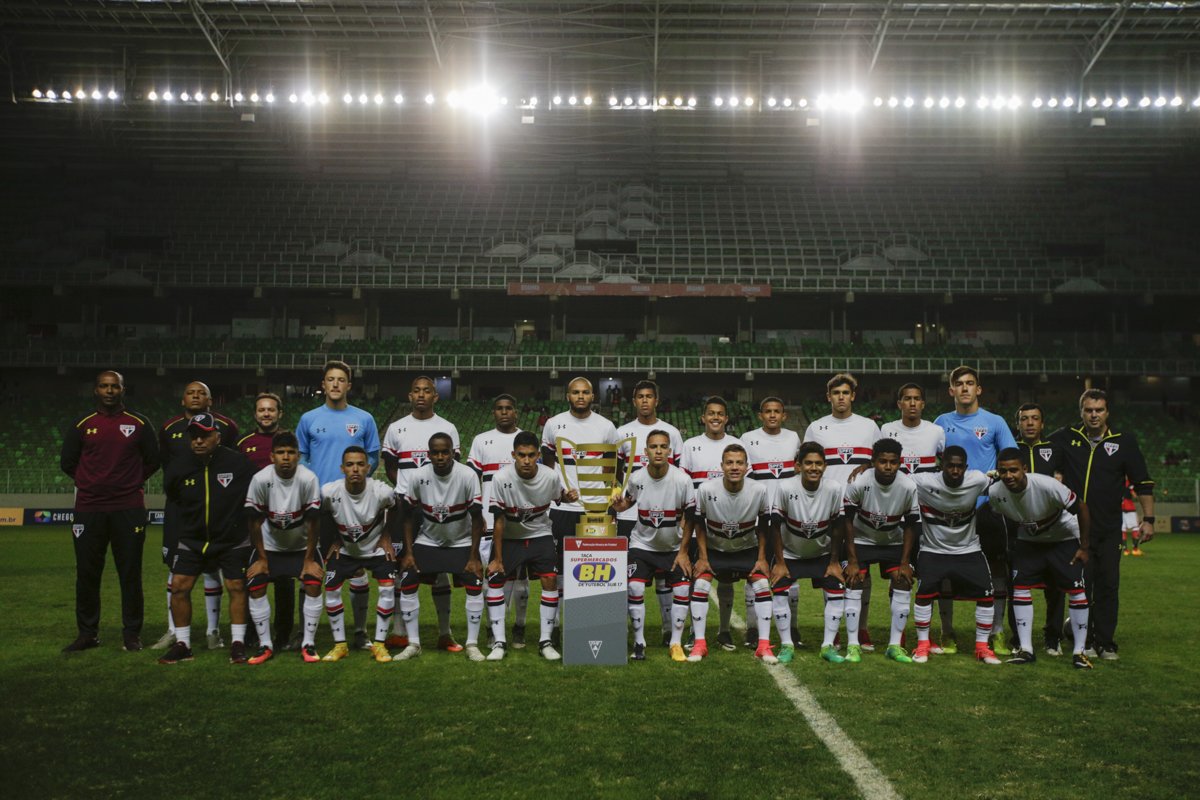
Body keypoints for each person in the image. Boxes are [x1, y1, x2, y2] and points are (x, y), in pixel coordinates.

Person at [59, 370, 160, 653]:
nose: (109, 391)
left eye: (114, 386)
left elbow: (153, 460)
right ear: (96, 390)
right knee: (87, 574)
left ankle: (132, 634)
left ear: (123, 390)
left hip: (128, 508)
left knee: (129, 573)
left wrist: (129, 481)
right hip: (89, 509)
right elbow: (67, 462)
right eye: (104, 386)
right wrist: (91, 483)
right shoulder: (82, 425)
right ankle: (87, 633)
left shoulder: (139, 423)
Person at [1049, 389, 1154, 661]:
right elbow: (1040, 453)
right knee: (1082, 585)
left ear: (1108, 412)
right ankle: (1083, 636)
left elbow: (1142, 481)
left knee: (1108, 584)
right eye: (1088, 410)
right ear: (1081, 412)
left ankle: (1105, 642)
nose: (1094, 415)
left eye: (1099, 410)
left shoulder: (1124, 442)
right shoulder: (1066, 438)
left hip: (1108, 529)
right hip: (1074, 529)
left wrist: (1149, 519)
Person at [157, 413, 257, 665]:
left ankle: (237, 643)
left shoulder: (238, 463)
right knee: (179, 586)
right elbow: (174, 495)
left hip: (231, 539)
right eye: (195, 436)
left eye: (205, 435)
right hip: (192, 538)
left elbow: (253, 494)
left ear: (218, 437)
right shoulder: (178, 466)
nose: (199, 440)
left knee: (236, 587)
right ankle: (183, 644)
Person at [295, 360, 381, 651]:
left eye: (340, 380)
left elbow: (372, 457)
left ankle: (359, 632)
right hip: (319, 505)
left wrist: (355, 487)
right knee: (311, 567)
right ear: (323, 385)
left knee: (356, 568)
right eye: (330, 379)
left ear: (348, 385)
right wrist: (313, 488)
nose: (335, 384)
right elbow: (301, 457)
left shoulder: (364, 419)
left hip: (352, 505)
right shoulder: (308, 419)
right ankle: (305, 633)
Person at [934, 366, 1017, 656]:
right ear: (951, 390)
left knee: (997, 568)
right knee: (944, 569)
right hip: (950, 510)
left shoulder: (995, 422)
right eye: (959, 384)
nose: (965, 388)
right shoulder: (940, 423)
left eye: (970, 383)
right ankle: (947, 632)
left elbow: (1010, 458)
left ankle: (997, 632)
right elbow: (934, 465)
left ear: (979, 389)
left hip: (988, 509)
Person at [154, 381, 240, 651]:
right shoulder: (168, 429)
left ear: (211, 400)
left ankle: (213, 631)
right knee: (176, 570)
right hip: (182, 510)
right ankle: (173, 630)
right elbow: (169, 471)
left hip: (216, 512)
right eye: (190, 392)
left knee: (213, 568)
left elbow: (231, 463)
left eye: (201, 392)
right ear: (182, 400)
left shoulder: (227, 427)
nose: (195, 396)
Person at [988, 449, 1094, 670]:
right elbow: (1003, 518)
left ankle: (1079, 652)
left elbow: (1082, 508)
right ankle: (1026, 649)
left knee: (1077, 591)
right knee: (1020, 588)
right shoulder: (996, 492)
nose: (1009, 475)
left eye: (1014, 470)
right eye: (1003, 471)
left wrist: (1084, 547)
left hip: (1063, 538)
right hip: (1030, 542)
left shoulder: (1047, 485)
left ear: (1024, 469)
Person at [382, 376, 464, 652]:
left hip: (435, 507)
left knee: (439, 568)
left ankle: (445, 632)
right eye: (416, 390)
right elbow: (391, 466)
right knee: (401, 567)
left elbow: (454, 466)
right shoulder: (396, 428)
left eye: (426, 391)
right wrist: (406, 489)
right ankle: (398, 631)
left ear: (435, 396)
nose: (421, 395)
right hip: (405, 507)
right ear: (409, 395)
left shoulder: (447, 428)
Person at [902, 446, 1001, 665]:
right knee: (923, 595)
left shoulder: (976, 480)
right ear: (942, 466)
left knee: (986, 595)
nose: (955, 471)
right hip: (932, 550)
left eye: (959, 466)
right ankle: (923, 644)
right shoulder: (924, 481)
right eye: (950, 466)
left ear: (966, 467)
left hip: (968, 550)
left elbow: (1003, 482)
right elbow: (895, 480)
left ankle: (982, 647)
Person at [804, 373, 882, 651]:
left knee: (863, 570)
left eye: (845, 392)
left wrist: (868, 466)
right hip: (828, 509)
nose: (841, 397)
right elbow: (807, 465)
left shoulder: (870, 427)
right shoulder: (816, 428)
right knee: (833, 568)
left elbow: (881, 461)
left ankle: (861, 629)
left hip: (862, 508)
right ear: (828, 397)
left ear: (853, 396)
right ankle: (834, 631)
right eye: (836, 392)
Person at [485, 431, 579, 661]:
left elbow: (560, 497)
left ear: (538, 455)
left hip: (540, 534)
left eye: (531, 455)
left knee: (549, 580)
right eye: (521, 455)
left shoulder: (550, 476)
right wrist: (497, 558)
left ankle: (545, 641)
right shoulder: (500, 478)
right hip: (510, 536)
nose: (526, 460)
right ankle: (499, 641)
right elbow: (498, 521)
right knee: (497, 580)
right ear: (513, 455)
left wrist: (568, 498)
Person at [681, 444, 776, 664]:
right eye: (730, 462)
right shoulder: (705, 490)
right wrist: (703, 557)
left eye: (739, 463)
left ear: (747, 467)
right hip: (715, 550)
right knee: (702, 585)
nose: (734, 467)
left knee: (762, 586)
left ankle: (763, 645)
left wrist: (762, 558)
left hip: (746, 549)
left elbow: (763, 526)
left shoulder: (759, 490)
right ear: (721, 465)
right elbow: (699, 524)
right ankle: (700, 644)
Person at [396, 433, 486, 662]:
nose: (440, 456)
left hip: (461, 540)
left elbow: (477, 518)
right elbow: (407, 516)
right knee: (407, 579)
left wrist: (474, 555)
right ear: (429, 455)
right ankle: (413, 643)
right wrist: (408, 552)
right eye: (435, 452)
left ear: (454, 453)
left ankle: (472, 644)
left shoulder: (467, 475)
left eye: (445, 452)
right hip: (429, 539)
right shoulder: (418, 476)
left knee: (475, 582)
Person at [879, 382, 954, 651]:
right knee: (899, 575)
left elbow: (946, 466)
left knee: (926, 574)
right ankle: (897, 635)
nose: (912, 403)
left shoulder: (936, 432)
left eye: (917, 398)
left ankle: (926, 634)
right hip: (894, 514)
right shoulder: (886, 429)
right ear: (899, 403)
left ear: (923, 403)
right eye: (907, 398)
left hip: (927, 515)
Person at [610, 430, 695, 661]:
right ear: (646, 452)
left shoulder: (682, 480)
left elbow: (689, 518)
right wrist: (617, 504)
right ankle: (639, 643)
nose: (659, 451)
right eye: (654, 447)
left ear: (670, 451)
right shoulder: (636, 478)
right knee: (635, 588)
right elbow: (625, 504)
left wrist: (685, 552)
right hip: (642, 546)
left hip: (674, 548)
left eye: (663, 446)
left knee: (681, 589)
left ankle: (675, 642)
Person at [242, 430, 324, 664]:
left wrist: (309, 560)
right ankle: (265, 645)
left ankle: (308, 643)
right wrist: (261, 558)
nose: (286, 457)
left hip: (301, 547)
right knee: (256, 586)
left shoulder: (308, 479)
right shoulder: (260, 479)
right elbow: (254, 521)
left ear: (298, 456)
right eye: (280, 452)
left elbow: (314, 521)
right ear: (271, 457)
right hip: (270, 547)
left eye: (290, 452)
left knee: (313, 583)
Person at [615, 380, 685, 647]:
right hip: (630, 514)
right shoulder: (622, 431)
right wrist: (617, 497)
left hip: (664, 517)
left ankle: (669, 630)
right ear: (634, 401)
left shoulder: (671, 432)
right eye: (640, 397)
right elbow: (616, 472)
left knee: (665, 577)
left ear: (657, 401)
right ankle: (628, 633)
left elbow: (675, 472)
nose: (645, 401)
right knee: (632, 577)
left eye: (649, 397)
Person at [766, 441, 849, 665]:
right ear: (798, 466)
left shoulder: (833, 488)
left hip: (821, 553)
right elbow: (775, 526)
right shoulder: (785, 487)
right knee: (780, 588)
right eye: (809, 463)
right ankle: (787, 645)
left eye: (819, 464)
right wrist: (781, 562)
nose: (814, 468)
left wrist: (833, 561)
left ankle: (827, 646)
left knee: (836, 589)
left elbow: (838, 525)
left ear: (825, 466)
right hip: (791, 553)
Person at [841, 438, 920, 664]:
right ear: (873, 461)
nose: (888, 467)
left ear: (899, 463)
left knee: (903, 580)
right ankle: (853, 645)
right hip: (862, 541)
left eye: (893, 462)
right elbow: (846, 521)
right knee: (855, 580)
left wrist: (905, 562)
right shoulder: (859, 481)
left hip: (891, 542)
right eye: (883, 461)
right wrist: (853, 559)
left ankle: (894, 646)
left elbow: (912, 525)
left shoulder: (908, 486)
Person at [318, 446, 399, 664]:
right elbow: (322, 516)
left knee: (387, 589)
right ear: (342, 468)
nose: (355, 469)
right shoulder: (328, 492)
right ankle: (340, 645)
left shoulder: (382, 491)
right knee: (332, 590)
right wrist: (334, 539)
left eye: (360, 464)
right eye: (350, 464)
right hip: (346, 549)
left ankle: (380, 644)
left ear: (368, 467)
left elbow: (396, 508)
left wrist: (386, 536)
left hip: (375, 550)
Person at [680, 396, 746, 651]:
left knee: (726, 580)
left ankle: (725, 630)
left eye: (720, 413)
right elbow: (685, 485)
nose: (715, 417)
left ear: (726, 418)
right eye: (711, 413)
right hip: (697, 523)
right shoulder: (690, 445)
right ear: (703, 417)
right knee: (694, 579)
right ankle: (692, 632)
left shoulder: (736, 445)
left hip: (728, 524)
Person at [238, 391, 302, 651]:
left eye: (271, 410)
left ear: (279, 413)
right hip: (254, 519)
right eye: (262, 410)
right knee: (254, 576)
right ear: (255, 414)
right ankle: (252, 632)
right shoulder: (244, 443)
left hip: (284, 520)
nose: (266, 414)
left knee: (285, 580)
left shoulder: (289, 442)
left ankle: (283, 633)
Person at [467, 394, 529, 646]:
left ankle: (519, 627)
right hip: (489, 521)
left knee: (521, 580)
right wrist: (477, 515)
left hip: (520, 523)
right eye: (499, 408)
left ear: (516, 412)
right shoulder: (481, 440)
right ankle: (494, 628)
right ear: (494, 412)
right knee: (492, 578)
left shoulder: (526, 440)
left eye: (509, 408)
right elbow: (472, 481)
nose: (504, 412)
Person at [743, 396, 804, 646]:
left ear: (784, 415)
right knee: (755, 573)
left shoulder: (792, 438)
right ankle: (752, 628)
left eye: (776, 411)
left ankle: (793, 627)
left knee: (790, 572)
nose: (772, 415)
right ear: (760, 415)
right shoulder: (747, 438)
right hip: (758, 515)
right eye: (767, 411)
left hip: (787, 515)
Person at [539, 377, 618, 560]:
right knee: (560, 564)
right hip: (563, 508)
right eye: (576, 392)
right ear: (568, 396)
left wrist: (608, 501)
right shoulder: (553, 424)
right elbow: (548, 468)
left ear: (592, 396)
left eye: (585, 392)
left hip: (595, 507)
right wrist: (557, 494)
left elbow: (610, 469)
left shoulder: (606, 427)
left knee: (595, 563)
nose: (580, 396)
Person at [1014, 402, 1068, 656]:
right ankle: (1018, 638)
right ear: (1018, 424)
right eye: (1025, 419)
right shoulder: (1010, 449)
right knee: (1018, 585)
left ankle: (1052, 637)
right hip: (1019, 530)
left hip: (1052, 530)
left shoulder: (1055, 450)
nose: (1030, 423)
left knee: (1056, 588)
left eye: (1035, 418)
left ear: (1042, 423)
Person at [1121, 482, 1144, 556]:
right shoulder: (1129, 482)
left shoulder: (1117, 480)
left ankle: (1125, 550)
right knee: (1135, 528)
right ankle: (1135, 549)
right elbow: (1134, 495)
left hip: (1120, 507)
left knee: (1123, 529)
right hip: (1129, 507)